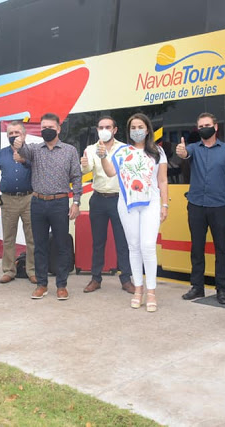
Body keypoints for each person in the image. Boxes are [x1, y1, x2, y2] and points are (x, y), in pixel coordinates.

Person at [98, 113, 169, 312]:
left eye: (140, 127)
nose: (137, 131)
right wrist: (103, 157)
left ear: (147, 129)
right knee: (134, 247)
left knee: (148, 246)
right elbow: (110, 172)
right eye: (133, 128)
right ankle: (138, 290)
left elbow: (163, 180)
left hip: (151, 203)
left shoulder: (158, 152)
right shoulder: (122, 151)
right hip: (127, 204)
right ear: (129, 131)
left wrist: (165, 205)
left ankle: (151, 291)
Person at [176, 113, 225, 304]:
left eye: (207, 125)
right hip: (196, 205)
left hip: (220, 206)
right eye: (200, 126)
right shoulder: (193, 149)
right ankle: (197, 287)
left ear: (215, 127)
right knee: (197, 248)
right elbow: (184, 153)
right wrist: (181, 151)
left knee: (222, 249)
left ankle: (222, 290)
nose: (203, 128)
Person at [15, 113, 82, 300]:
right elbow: (23, 152)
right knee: (39, 246)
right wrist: (19, 143)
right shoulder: (35, 149)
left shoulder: (69, 151)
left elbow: (77, 177)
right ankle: (41, 284)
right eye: (43, 127)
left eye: (50, 127)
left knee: (62, 246)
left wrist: (76, 202)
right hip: (37, 202)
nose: (46, 130)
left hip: (60, 203)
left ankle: (61, 285)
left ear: (58, 129)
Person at [80, 116, 134, 294]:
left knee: (122, 241)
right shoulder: (91, 149)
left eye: (108, 127)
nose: (104, 130)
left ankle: (126, 279)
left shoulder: (124, 149)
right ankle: (96, 279)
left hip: (119, 200)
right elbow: (86, 170)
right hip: (98, 199)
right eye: (101, 127)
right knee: (98, 241)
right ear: (97, 130)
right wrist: (84, 165)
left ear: (115, 130)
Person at [0, 121, 37, 285]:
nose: (14, 136)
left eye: (17, 133)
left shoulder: (32, 152)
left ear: (24, 135)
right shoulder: (1, 154)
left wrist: (24, 160)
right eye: (10, 133)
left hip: (29, 198)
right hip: (8, 199)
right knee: (8, 237)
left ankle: (32, 270)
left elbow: (39, 168)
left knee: (32, 237)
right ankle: (9, 271)